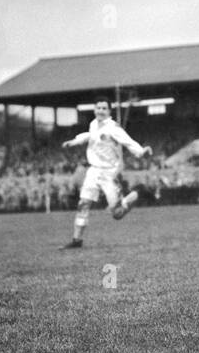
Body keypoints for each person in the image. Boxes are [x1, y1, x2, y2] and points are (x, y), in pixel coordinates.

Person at [59, 99, 152, 248]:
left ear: (109, 111)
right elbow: (88, 135)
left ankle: (135, 195)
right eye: (98, 108)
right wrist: (73, 141)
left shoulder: (113, 127)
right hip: (93, 170)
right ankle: (77, 240)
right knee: (83, 203)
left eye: (104, 108)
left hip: (109, 173)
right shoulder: (93, 124)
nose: (100, 111)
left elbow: (128, 141)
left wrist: (141, 152)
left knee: (117, 214)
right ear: (94, 110)